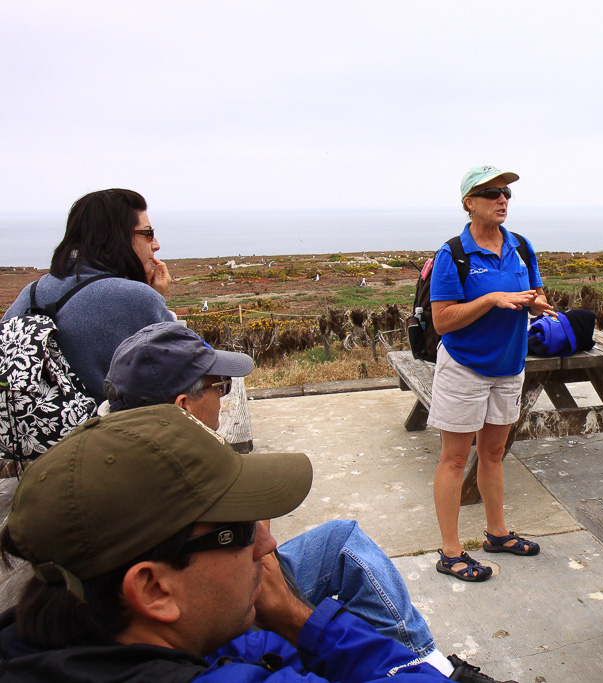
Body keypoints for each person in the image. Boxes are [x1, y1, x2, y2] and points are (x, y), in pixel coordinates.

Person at [101, 322, 506, 682]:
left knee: (342, 540)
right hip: (207, 614)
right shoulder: (169, 482)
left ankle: (426, 661)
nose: (224, 398)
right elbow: (252, 555)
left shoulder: (119, 458)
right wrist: (298, 620)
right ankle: (425, 669)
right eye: (219, 386)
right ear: (183, 407)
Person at [0, 405, 451, 682]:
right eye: (240, 530)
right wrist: (301, 620)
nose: (267, 543)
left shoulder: (37, 640)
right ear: (154, 590)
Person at [428, 166, 553, 582]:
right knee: (455, 459)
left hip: (509, 365)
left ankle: (497, 533)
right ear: (469, 202)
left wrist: (537, 304)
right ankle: (451, 552)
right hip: (465, 368)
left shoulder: (520, 245)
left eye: (507, 194)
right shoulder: (453, 255)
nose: (502, 200)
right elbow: (443, 321)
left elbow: (535, 291)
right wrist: (492, 299)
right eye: (491, 193)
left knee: (495, 454)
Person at [1, 189, 175, 402]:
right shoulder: (137, 298)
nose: (156, 244)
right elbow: (183, 369)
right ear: (116, 236)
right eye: (148, 233)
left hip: (30, 431)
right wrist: (157, 298)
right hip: (107, 433)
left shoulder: (32, 293)